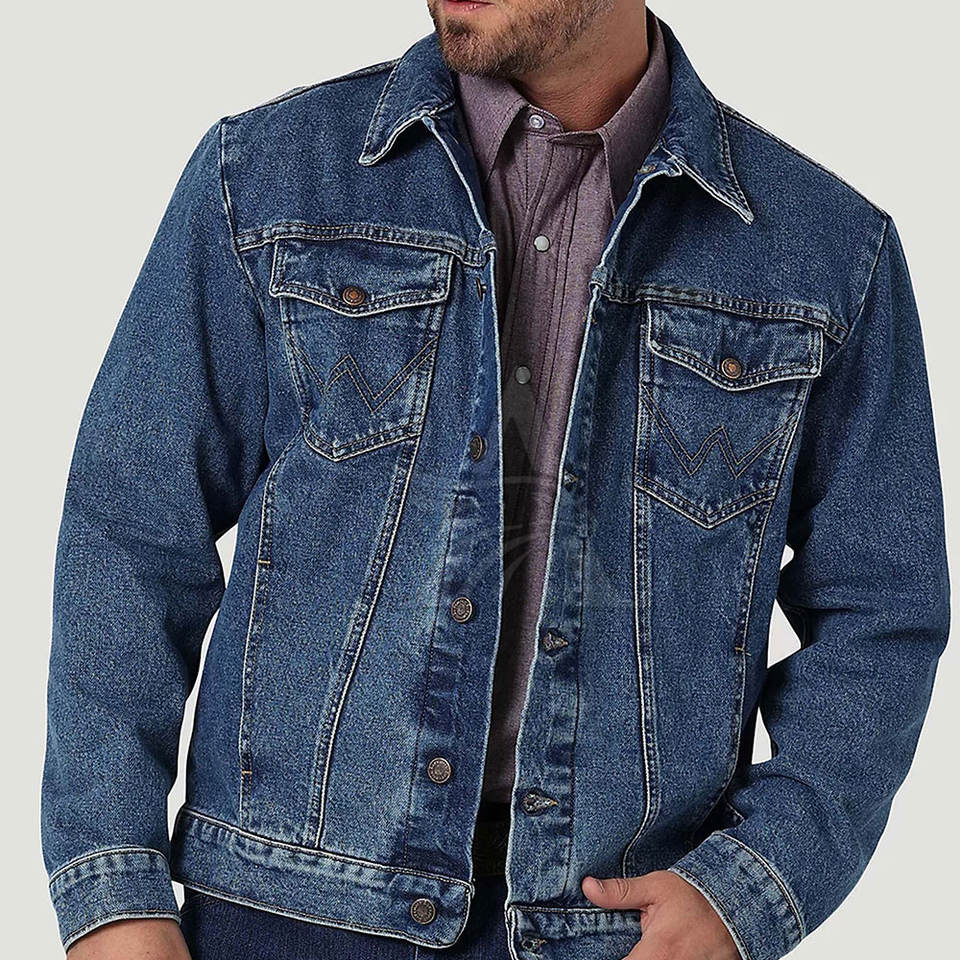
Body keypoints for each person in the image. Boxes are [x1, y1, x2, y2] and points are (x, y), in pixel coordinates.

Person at [42, 1, 950, 959]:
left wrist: (751, 884)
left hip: (613, 930)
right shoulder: (265, 178)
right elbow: (133, 529)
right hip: (284, 915)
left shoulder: (827, 254)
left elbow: (881, 610)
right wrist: (115, 895)